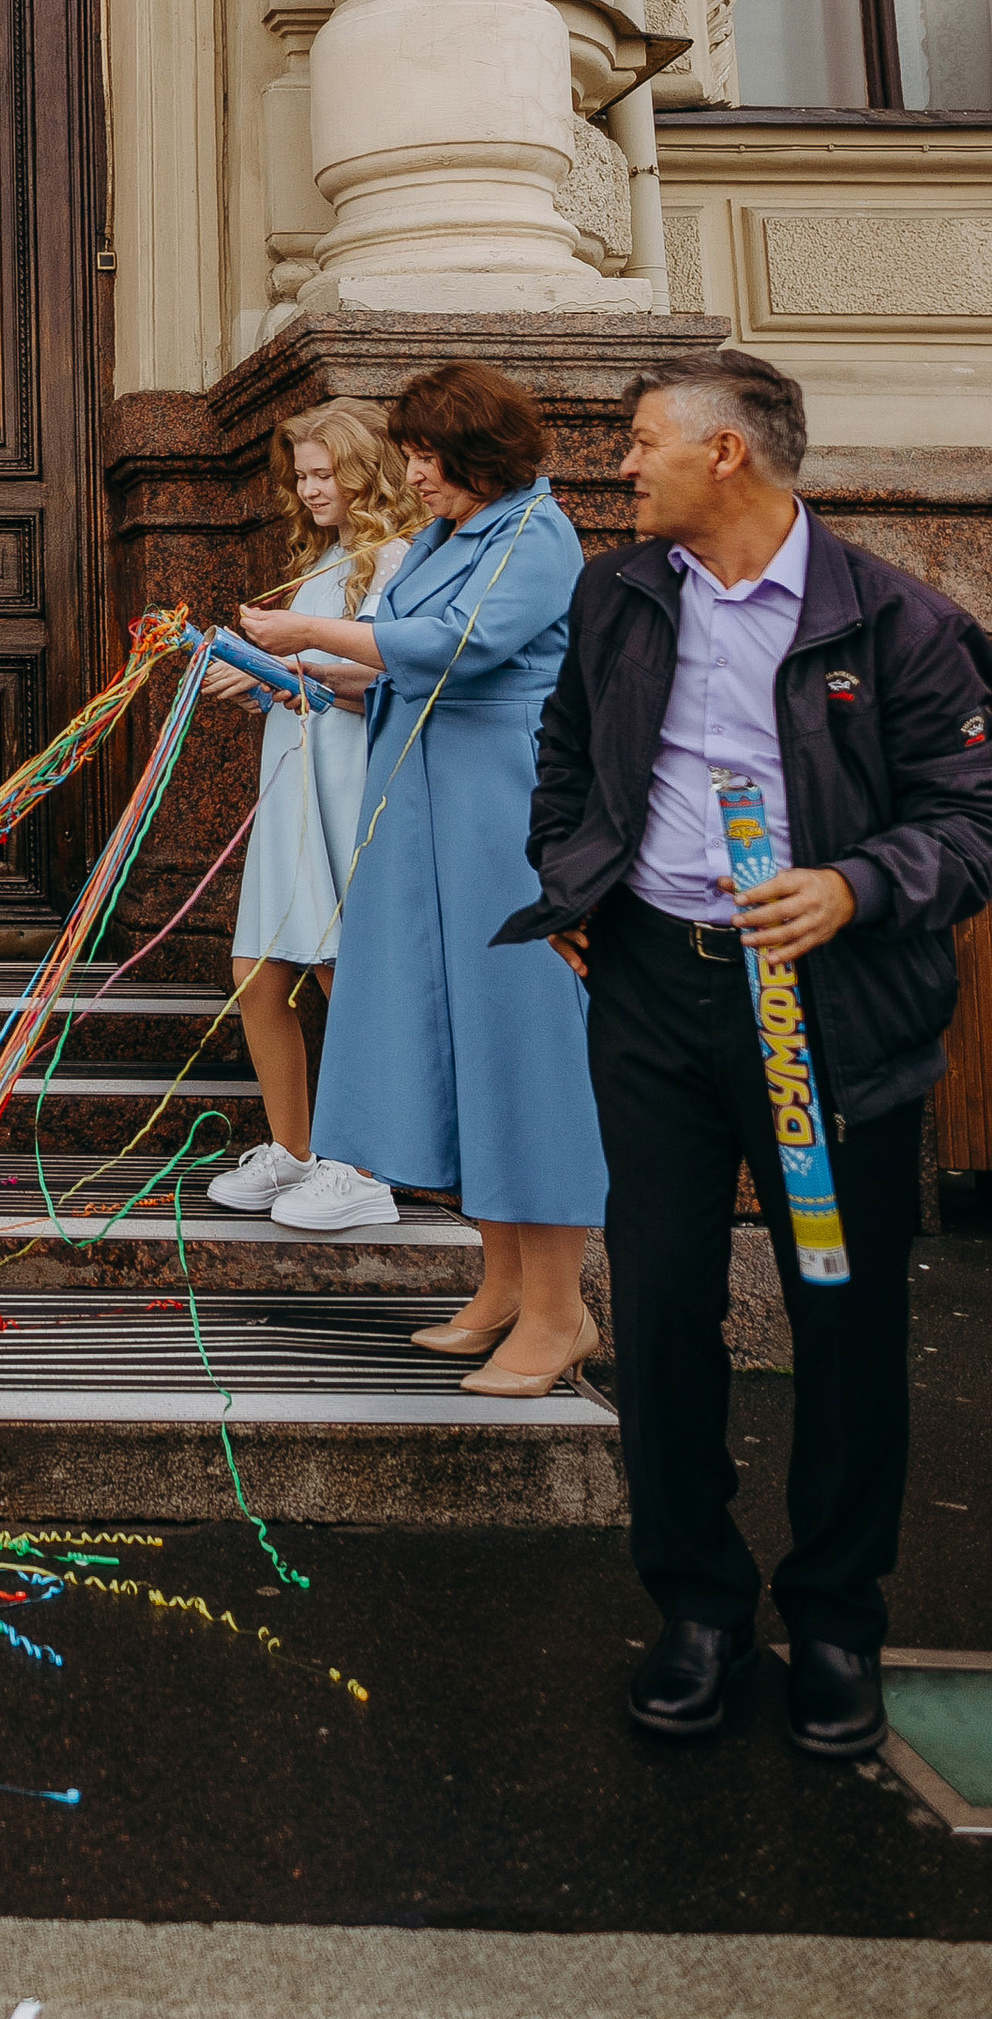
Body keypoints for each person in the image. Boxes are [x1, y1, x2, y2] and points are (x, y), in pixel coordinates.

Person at [501, 350, 992, 1760]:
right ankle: (699, 1606)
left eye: (644, 443)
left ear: (728, 456)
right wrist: (574, 879)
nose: (622, 465)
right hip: (657, 1001)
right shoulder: (621, 592)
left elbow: (972, 819)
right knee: (657, 1316)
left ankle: (836, 1620)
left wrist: (854, 887)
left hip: (828, 1020)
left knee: (842, 1321)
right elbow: (568, 753)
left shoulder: (894, 622)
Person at [239, 357, 602, 1394]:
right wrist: (301, 668)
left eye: (428, 456)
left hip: (501, 824)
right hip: (421, 822)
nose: (415, 475)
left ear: (478, 454)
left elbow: (456, 647)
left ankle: (557, 1311)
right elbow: (390, 663)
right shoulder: (447, 534)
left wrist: (310, 632)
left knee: (523, 1057)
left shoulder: (535, 533)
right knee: (451, 1053)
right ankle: (499, 1289)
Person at [204, 401, 422, 1215]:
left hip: (350, 782)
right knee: (258, 967)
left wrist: (280, 669)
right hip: (295, 776)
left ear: (365, 471)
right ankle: (293, 1148)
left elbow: (382, 678)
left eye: (326, 473)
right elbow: (307, 683)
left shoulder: (395, 558)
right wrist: (256, 678)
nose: (311, 487)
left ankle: (366, 1164)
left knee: (340, 967)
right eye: (300, 475)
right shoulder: (322, 560)